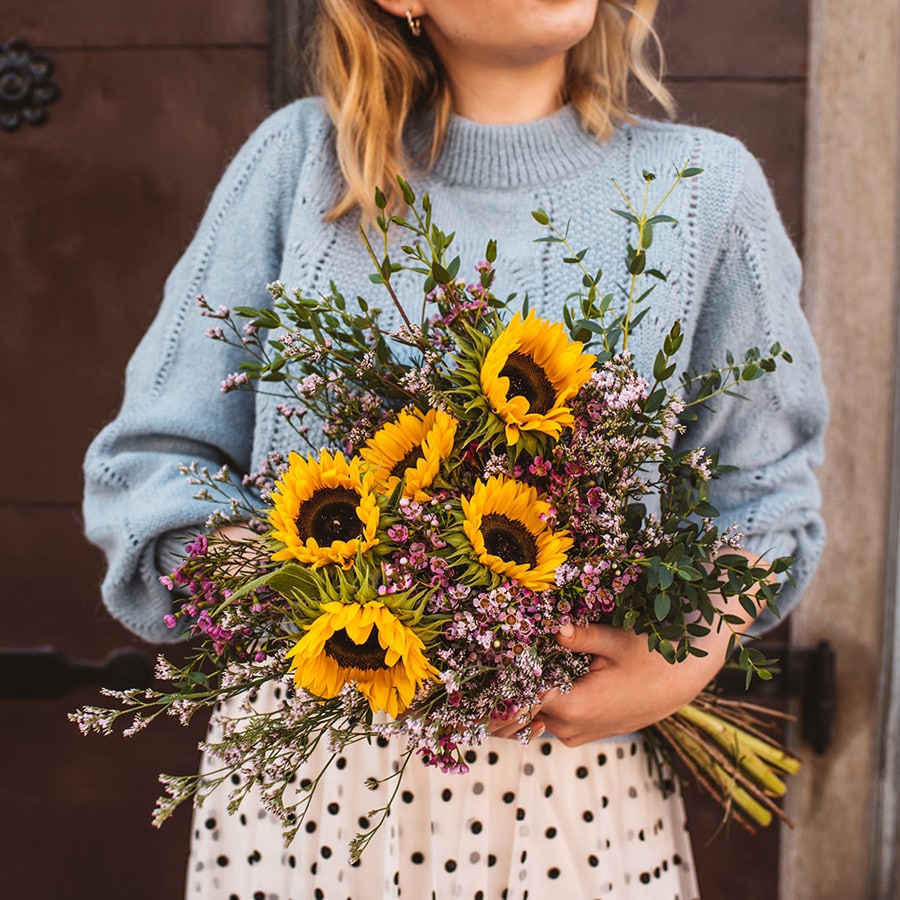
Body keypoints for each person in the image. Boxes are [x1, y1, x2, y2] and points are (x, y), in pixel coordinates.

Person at [82, 1, 827, 897]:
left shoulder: (705, 188)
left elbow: (766, 496)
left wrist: (690, 652)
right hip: (316, 786)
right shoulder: (302, 162)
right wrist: (336, 596)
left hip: (577, 785)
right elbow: (153, 467)